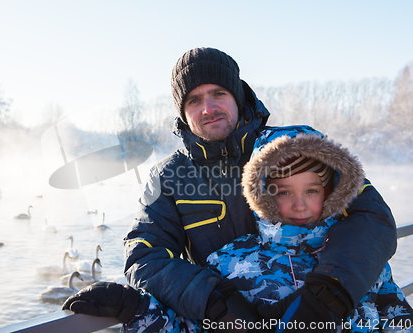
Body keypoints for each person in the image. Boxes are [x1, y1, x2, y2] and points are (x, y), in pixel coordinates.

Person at [63, 47, 397, 329]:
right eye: (194, 100)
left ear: (237, 96)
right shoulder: (170, 177)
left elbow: (371, 217)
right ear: (182, 113)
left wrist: (329, 293)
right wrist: (216, 304)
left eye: (218, 94)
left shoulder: (295, 146)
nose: (208, 109)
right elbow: (145, 255)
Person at [63, 127, 413, 333]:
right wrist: (135, 309)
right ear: (263, 196)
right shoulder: (232, 263)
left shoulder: (360, 260)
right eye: (284, 192)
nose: (300, 205)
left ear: (331, 192)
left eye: (312, 191)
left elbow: (397, 318)